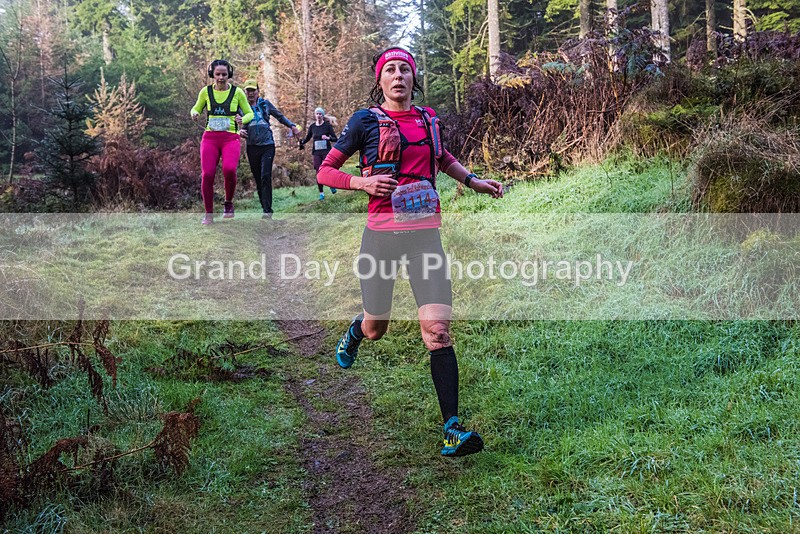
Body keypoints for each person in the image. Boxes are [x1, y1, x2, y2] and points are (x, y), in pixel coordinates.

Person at [317, 47, 503, 457]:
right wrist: (361, 184)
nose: (398, 75)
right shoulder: (365, 121)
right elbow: (325, 170)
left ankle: (452, 429)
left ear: (413, 79)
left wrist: (472, 181)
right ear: (379, 80)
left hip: (425, 240)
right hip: (380, 239)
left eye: (405, 69)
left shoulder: (427, 119)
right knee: (375, 328)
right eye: (391, 70)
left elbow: (442, 157)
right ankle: (356, 330)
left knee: (437, 331)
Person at [191, 59, 254, 224]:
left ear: (229, 75)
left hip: (230, 138)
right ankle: (208, 214)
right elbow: (196, 107)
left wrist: (243, 119)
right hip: (210, 138)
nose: (220, 78)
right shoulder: (205, 92)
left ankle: (228, 203)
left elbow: (250, 113)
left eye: (224, 74)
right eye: (217, 74)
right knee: (208, 174)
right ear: (212, 74)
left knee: (229, 169)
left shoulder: (237, 93)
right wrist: (194, 113)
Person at [239, 79, 301, 218]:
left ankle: (268, 211)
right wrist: (238, 132)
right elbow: (232, 123)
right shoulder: (240, 107)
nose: (250, 93)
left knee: (265, 175)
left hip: (267, 145)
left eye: (252, 90)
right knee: (258, 178)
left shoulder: (265, 104)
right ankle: (264, 207)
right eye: (248, 90)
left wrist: (292, 126)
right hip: (252, 147)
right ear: (244, 92)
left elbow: (279, 116)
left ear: (258, 91)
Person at [300, 107, 338, 201]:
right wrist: (302, 142)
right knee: (318, 172)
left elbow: (335, 138)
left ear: (322, 115)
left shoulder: (327, 126)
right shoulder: (312, 127)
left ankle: (331, 185)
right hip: (316, 152)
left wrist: (328, 138)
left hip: (326, 151)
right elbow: (308, 138)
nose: (318, 115)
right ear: (315, 115)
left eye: (320, 114)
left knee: (327, 169)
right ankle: (321, 193)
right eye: (317, 114)